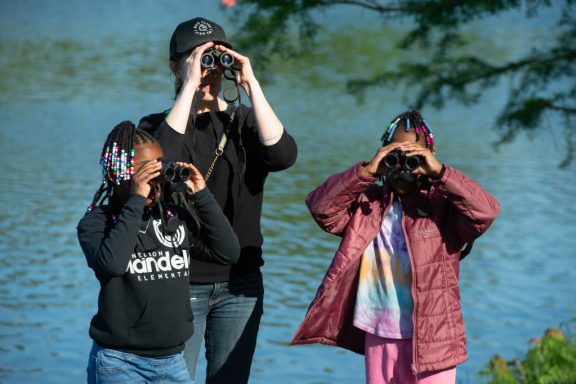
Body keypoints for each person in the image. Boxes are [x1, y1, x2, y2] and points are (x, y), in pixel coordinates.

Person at [138, 17, 298, 383]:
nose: (208, 68)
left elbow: (283, 156)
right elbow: (160, 160)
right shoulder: (152, 127)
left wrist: (251, 82)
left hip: (240, 284)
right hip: (179, 280)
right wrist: (190, 86)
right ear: (174, 66)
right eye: (196, 58)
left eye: (214, 57)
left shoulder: (244, 122)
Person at [290, 110, 500, 384]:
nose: (402, 167)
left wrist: (440, 172)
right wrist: (367, 171)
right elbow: (321, 208)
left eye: (413, 158)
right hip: (378, 331)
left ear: (428, 157)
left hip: (432, 337)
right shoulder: (369, 206)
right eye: (394, 156)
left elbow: (485, 211)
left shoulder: (442, 208)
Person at [77, 121, 240, 383]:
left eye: (158, 167)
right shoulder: (98, 222)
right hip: (120, 363)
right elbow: (112, 265)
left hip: (174, 361)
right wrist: (136, 199)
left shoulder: (172, 217)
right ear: (114, 175)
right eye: (143, 171)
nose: (154, 180)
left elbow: (228, 253)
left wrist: (202, 195)